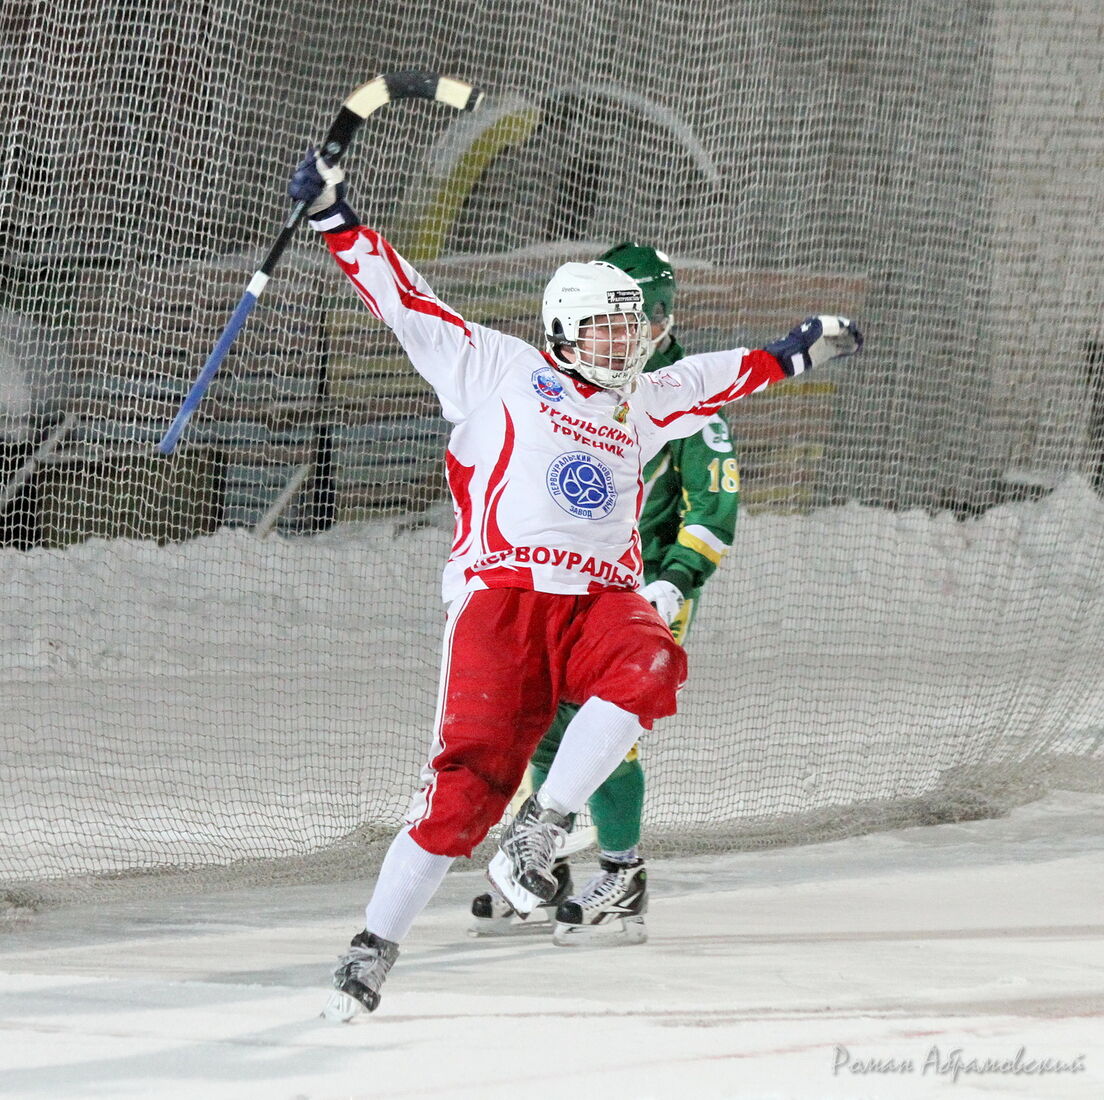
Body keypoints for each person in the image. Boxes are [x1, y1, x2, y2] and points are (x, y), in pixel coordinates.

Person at [286, 149, 862, 1021]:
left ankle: (545, 825)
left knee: (652, 663)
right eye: (609, 331)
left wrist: (800, 351)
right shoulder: (495, 368)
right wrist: (337, 219)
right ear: (563, 330)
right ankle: (372, 948)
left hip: (600, 600)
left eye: (633, 331)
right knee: (463, 793)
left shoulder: (644, 399)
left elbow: (730, 371)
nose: (628, 344)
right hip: (502, 600)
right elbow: (402, 298)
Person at [469, 244, 741, 946]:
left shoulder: (680, 394)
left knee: (609, 731)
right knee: (544, 717)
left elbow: (714, 509)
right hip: (575, 586)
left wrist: (676, 579)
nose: (623, 334)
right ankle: (546, 865)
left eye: (637, 319)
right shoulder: (577, 381)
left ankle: (623, 874)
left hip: (644, 594)